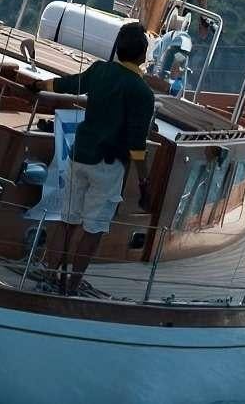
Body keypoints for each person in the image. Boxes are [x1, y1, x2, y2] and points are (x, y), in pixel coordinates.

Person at [22, 22, 155, 296]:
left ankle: (49, 274)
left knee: (67, 220)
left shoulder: (99, 71)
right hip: (107, 168)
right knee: (93, 228)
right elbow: (137, 146)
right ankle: (70, 286)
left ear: (118, 50)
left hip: (79, 157)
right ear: (142, 55)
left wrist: (37, 85)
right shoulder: (142, 93)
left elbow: (68, 84)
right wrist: (143, 183)